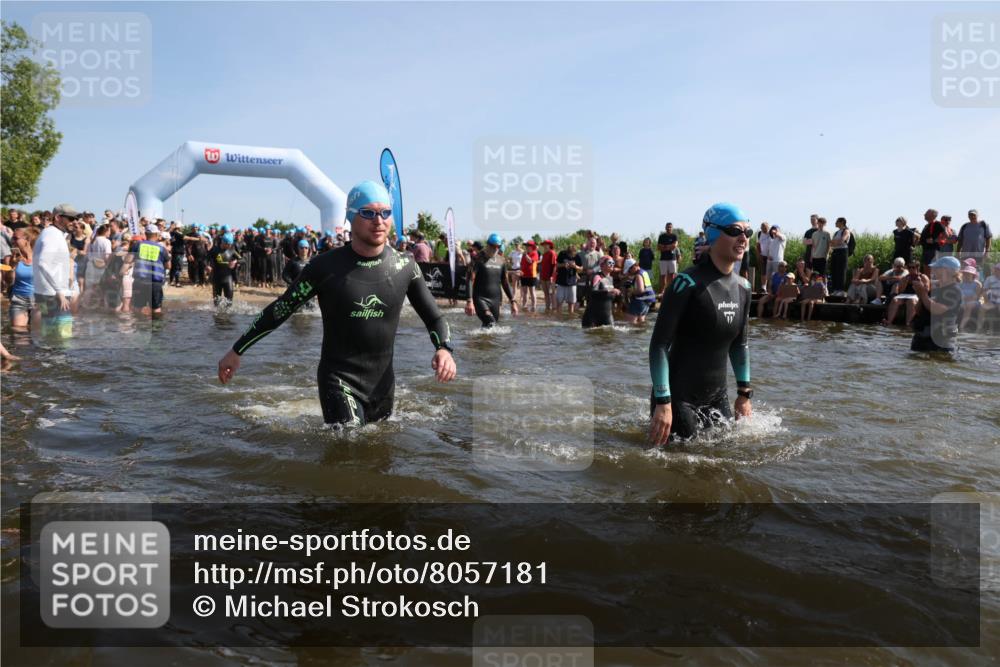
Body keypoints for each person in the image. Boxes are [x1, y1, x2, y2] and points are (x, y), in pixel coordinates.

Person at [218, 180, 456, 426]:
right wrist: (237, 350)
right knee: (351, 440)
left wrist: (444, 349)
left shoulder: (405, 266)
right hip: (339, 380)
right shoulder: (324, 267)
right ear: (351, 217)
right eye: (368, 213)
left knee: (378, 447)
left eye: (385, 213)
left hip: (383, 385)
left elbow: (435, 317)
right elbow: (281, 309)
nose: (379, 220)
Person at [649, 203, 752, 445]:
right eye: (735, 231)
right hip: (678, 399)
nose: (743, 238)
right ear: (712, 234)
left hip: (717, 397)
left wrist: (744, 394)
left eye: (747, 232)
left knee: (726, 456)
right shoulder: (685, 283)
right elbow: (659, 345)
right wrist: (663, 402)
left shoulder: (744, 287)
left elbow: (740, 345)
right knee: (682, 463)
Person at [32, 204, 76, 332]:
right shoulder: (53, 235)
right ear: (57, 217)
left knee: (49, 333)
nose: (74, 222)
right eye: (71, 218)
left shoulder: (50, 233)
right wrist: (59, 291)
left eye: (75, 219)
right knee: (64, 334)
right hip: (54, 295)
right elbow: (43, 262)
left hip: (46, 293)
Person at [911, 255, 963, 353]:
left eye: (938, 268)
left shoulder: (954, 291)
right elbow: (918, 311)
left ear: (948, 271)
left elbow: (937, 310)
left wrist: (923, 293)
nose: (934, 271)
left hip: (940, 342)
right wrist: (920, 294)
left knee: (938, 360)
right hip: (923, 338)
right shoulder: (936, 289)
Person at [466, 233, 518, 328]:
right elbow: (470, 279)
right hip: (480, 298)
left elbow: (505, 282)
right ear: (487, 245)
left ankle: (478, 338)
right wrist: (469, 301)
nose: (495, 249)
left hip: (495, 300)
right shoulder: (477, 258)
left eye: (498, 247)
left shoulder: (501, 260)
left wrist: (513, 301)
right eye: (493, 246)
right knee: (491, 322)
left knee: (490, 327)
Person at [130, 224, 171, 315]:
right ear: (156, 234)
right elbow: (168, 266)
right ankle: (156, 324)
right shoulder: (161, 249)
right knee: (156, 309)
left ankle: (138, 323)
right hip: (155, 283)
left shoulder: (138, 245)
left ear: (145, 234)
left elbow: (128, 260)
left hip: (140, 282)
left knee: (137, 308)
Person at [8, 226, 39, 330]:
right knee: (18, 332)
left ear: (27, 240)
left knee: (39, 332)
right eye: (12, 238)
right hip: (19, 299)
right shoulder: (13, 258)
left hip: (39, 300)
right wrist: (12, 267)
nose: (12, 241)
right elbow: (9, 281)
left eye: (15, 238)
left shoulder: (40, 257)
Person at [883, 260, 927, 326]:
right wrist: (905, 283)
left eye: (913, 267)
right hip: (904, 295)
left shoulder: (923, 277)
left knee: (911, 301)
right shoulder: (905, 277)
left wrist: (920, 283)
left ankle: (908, 323)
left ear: (918, 268)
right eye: (909, 267)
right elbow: (900, 291)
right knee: (895, 299)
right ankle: (889, 321)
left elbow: (927, 289)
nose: (911, 269)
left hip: (916, 295)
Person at [581, 256, 619, 328]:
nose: (612, 265)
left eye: (613, 263)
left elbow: (609, 297)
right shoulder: (597, 277)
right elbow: (593, 292)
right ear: (602, 265)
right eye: (609, 263)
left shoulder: (611, 278)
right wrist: (609, 290)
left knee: (611, 333)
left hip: (607, 315)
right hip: (592, 317)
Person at [210, 233, 241, 306]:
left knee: (229, 302)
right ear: (223, 242)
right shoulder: (214, 250)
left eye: (230, 244)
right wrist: (208, 266)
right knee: (216, 303)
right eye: (228, 244)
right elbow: (207, 258)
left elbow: (243, 259)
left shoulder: (232, 250)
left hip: (228, 278)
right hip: (216, 278)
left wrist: (235, 261)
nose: (230, 246)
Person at [623, 258, 656, 325]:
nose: (629, 272)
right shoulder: (644, 272)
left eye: (629, 270)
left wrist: (631, 292)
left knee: (629, 322)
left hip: (641, 300)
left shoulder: (638, 275)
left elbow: (640, 290)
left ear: (633, 267)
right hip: (648, 300)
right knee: (640, 322)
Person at [554, 243, 580, 315]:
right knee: (559, 302)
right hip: (561, 282)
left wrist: (575, 266)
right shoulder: (562, 254)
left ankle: (570, 318)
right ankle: (559, 317)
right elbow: (557, 265)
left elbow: (581, 268)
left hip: (572, 282)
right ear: (567, 252)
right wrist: (563, 265)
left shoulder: (577, 256)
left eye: (573, 255)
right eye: (570, 255)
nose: (572, 256)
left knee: (571, 303)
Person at [919, 209, 947, 274]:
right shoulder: (926, 226)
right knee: (925, 270)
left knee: (931, 270)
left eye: (927, 213)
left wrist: (934, 241)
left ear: (933, 215)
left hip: (932, 251)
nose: (924, 214)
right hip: (926, 250)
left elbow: (946, 235)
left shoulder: (938, 224)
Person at [829, 217, 851, 295]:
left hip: (842, 252)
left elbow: (842, 240)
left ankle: (841, 290)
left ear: (841, 222)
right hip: (835, 251)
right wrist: (835, 242)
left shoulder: (846, 231)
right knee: (834, 270)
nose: (835, 223)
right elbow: (831, 243)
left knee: (841, 270)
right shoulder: (836, 232)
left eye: (837, 221)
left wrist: (834, 242)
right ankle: (835, 289)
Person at [957, 264, 982, 330]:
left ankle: (961, 326)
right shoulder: (960, 284)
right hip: (962, 301)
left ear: (973, 275)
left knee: (968, 305)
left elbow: (976, 297)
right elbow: (958, 295)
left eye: (968, 274)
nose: (966, 275)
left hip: (974, 302)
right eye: (965, 274)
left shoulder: (977, 284)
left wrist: (965, 299)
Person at [657, 222, 679, 294]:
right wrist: (669, 246)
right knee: (663, 276)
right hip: (663, 259)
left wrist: (665, 247)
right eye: (668, 227)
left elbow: (675, 246)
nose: (669, 228)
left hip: (672, 258)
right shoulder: (661, 236)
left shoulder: (674, 236)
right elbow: (659, 247)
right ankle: (662, 292)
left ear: (672, 228)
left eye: (670, 227)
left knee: (672, 275)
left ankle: (670, 291)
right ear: (665, 228)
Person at [977, 263, 1000, 332]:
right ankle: (979, 328)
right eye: (996, 269)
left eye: (998, 269)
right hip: (991, 301)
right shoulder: (989, 279)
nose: (997, 271)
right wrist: (987, 301)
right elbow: (984, 291)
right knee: (982, 308)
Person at [519, 240, 540, 312]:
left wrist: (525, 255)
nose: (526, 247)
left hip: (532, 275)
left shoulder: (535, 253)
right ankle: (524, 305)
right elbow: (522, 263)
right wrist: (520, 271)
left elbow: (530, 261)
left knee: (532, 291)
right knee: (524, 292)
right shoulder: (525, 254)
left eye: (528, 246)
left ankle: (533, 306)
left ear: (532, 246)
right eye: (526, 246)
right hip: (523, 275)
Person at [766, 225, 786, 292]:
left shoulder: (782, 237)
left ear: (779, 230)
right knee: (769, 277)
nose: (773, 230)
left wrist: (775, 232)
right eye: (772, 229)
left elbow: (780, 236)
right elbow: (768, 250)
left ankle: (778, 291)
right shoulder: (771, 239)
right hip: (769, 261)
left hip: (778, 261)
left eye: (775, 229)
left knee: (778, 276)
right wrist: (768, 256)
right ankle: (769, 291)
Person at [539, 240, 557, 312]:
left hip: (550, 277)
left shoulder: (552, 253)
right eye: (543, 244)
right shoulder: (544, 254)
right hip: (543, 276)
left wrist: (552, 276)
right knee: (546, 293)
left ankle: (554, 308)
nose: (544, 246)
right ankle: (547, 308)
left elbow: (554, 265)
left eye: (546, 244)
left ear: (549, 245)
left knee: (552, 293)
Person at [755, 222, 771, 292]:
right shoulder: (759, 233)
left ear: (768, 227)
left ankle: (770, 288)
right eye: (763, 228)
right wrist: (759, 255)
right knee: (763, 271)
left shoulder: (771, 233)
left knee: (770, 272)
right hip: (763, 255)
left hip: (771, 256)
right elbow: (758, 245)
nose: (764, 229)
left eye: (765, 228)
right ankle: (763, 287)